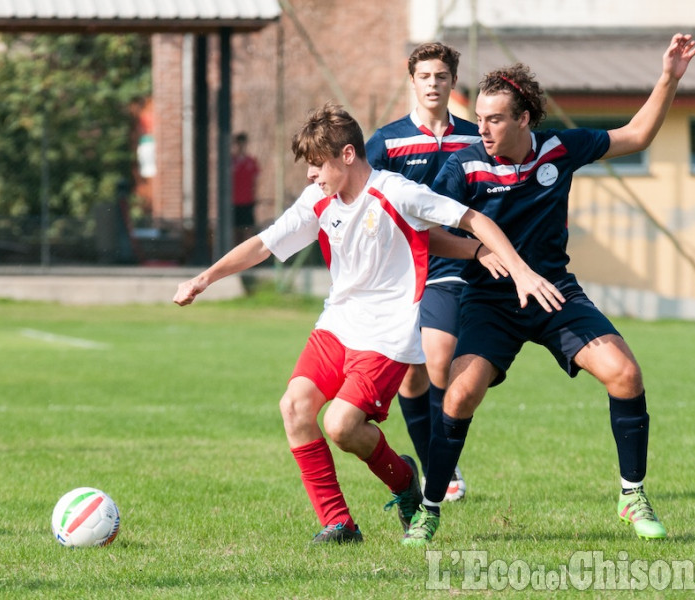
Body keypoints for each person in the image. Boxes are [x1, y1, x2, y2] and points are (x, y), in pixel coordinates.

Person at [174, 103, 564, 544]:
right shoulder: (318, 200)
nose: (310, 175)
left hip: (387, 335)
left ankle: (402, 482)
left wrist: (511, 266)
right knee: (294, 407)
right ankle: (338, 523)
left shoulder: (396, 192)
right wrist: (204, 278)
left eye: (317, 164)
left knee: (341, 426)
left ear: (346, 155)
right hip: (337, 324)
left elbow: (472, 219)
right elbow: (264, 244)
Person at [403, 33, 695, 546]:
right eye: (479, 117)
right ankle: (430, 507)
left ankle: (632, 495)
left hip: (553, 294)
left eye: (495, 118)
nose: (482, 127)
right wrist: (479, 252)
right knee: (461, 391)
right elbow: (426, 233)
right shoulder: (463, 166)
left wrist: (669, 77)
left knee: (625, 374)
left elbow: (636, 136)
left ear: (523, 119)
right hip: (490, 302)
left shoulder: (559, 150)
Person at [366, 42, 481, 502]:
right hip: (400, 271)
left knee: (439, 358)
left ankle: (441, 468)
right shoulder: (387, 140)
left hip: (452, 263)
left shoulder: (475, 137)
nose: (433, 84)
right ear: (411, 80)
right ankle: (439, 467)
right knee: (412, 377)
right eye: (425, 76)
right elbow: (363, 197)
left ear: (453, 81)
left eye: (441, 76)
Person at [232, 132, 260, 243]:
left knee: (248, 230)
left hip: (248, 202)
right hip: (234, 203)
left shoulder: (251, 162)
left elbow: (256, 181)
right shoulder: (231, 162)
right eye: (239, 144)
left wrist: (255, 196)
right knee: (235, 232)